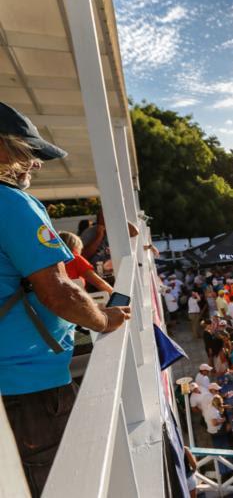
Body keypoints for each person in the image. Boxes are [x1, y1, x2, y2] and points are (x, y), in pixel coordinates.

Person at [0, 103, 131, 497]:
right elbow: (58, 290)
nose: (35, 166)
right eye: (28, 152)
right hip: (29, 386)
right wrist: (105, 321)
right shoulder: (11, 203)